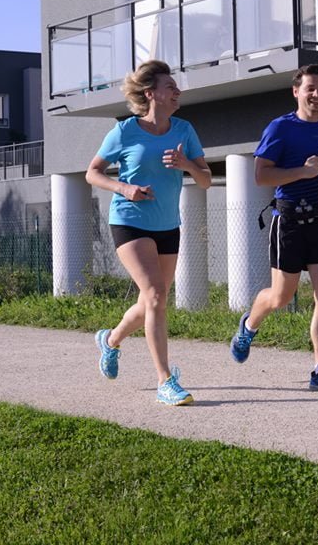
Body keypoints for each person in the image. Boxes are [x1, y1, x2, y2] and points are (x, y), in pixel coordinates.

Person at [86, 60, 211, 406]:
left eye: (176, 87)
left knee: (151, 300)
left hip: (167, 225)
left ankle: (110, 340)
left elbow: (205, 179)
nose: (177, 92)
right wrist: (124, 189)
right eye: (170, 87)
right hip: (129, 220)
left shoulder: (184, 129)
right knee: (155, 295)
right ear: (150, 93)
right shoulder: (126, 131)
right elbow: (92, 173)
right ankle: (164, 381)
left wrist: (188, 166)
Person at [230, 63, 318, 393]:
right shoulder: (280, 128)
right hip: (289, 220)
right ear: (296, 91)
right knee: (281, 297)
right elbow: (262, 176)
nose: (317, 94)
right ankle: (248, 326)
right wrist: (302, 172)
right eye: (310, 88)